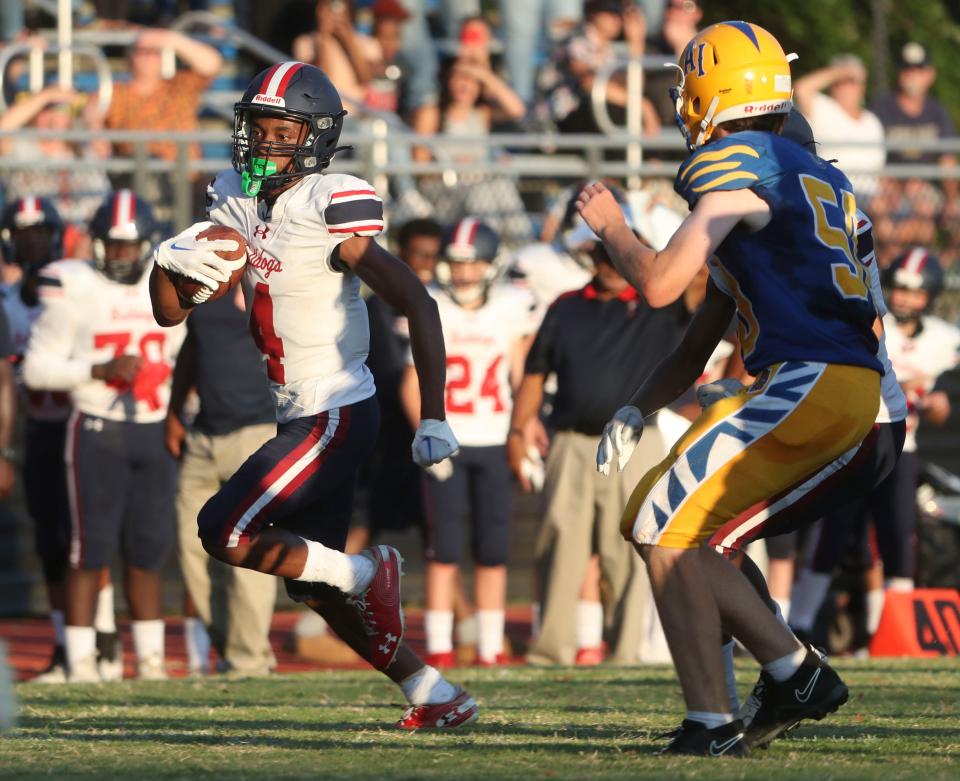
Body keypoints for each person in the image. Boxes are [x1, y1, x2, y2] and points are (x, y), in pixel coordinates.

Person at [576, 22, 886, 755]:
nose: (682, 103)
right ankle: (718, 713)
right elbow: (698, 334)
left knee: (659, 519)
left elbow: (656, 285)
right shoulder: (809, 180)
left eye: (688, 87)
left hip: (811, 380)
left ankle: (790, 671)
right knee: (673, 530)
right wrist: (637, 404)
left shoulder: (737, 160)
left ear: (713, 93)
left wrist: (612, 228)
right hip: (838, 385)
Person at [148, 61, 477, 729]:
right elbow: (168, 314)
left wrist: (435, 411)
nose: (264, 143)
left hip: (336, 408)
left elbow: (416, 298)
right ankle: (431, 688)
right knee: (314, 584)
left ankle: (367, 569)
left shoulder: (329, 200)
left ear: (315, 137)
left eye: (280, 131)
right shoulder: (236, 198)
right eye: (256, 128)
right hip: (298, 409)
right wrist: (168, 262)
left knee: (224, 528)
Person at [508, 211, 689, 666]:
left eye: (618, 255)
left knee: (627, 552)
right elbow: (534, 373)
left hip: (636, 442)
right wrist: (517, 430)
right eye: (602, 253)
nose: (610, 263)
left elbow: (700, 278)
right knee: (557, 545)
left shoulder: (661, 304)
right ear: (590, 256)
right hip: (571, 441)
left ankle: (626, 652)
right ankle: (550, 651)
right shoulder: (566, 305)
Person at [23, 190, 185, 682]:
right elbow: (36, 369)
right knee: (88, 551)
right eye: (112, 246)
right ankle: (80, 663)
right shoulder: (72, 284)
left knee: (147, 552)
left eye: (128, 246)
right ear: (95, 244)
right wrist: (99, 368)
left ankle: (152, 663)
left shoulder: (169, 282)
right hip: (95, 427)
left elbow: (184, 358)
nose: (120, 256)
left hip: (154, 429)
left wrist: (174, 395)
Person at [790, 247, 957, 645]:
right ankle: (797, 625)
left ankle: (892, 635)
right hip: (855, 441)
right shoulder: (874, 322)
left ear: (930, 296)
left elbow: (945, 404)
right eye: (898, 288)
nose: (903, 298)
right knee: (833, 534)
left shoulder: (944, 340)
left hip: (903, 449)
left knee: (899, 537)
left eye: (914, 292)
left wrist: (939, 401)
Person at [400, 218, 537, 667]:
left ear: (491, 265)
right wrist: (428, 429)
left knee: (494, 549)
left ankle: (490, 646)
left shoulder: (511, 307)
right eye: (457, 263)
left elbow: (521, 378)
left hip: (497, 438)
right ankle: (439, 647)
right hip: (450, 442)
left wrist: (527, 432)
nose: (463, 273)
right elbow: (410, 383)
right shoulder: (431, 304)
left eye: (472, 263)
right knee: (443, 550)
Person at [165, 286, 280, 677]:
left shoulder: (272, 278)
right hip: (203, 434)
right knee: (191, 550)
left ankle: (250, 661)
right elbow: (192, 349)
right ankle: (234, 652)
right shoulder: (200, 282)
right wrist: (174, 411)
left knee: (245, 552)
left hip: (256, 432)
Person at [869, 43, 957, 266]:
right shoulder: (880, 108)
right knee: (881, 212)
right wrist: (897, 186)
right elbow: (871, 159)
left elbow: (947, 160)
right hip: (887, 188)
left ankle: (940, 273)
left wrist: (950, 198)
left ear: (930, 75)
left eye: (919, 69)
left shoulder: (937, 111)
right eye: (907, 68)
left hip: (924, 191)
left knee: (930, 216)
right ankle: (891, 271)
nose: (912, 75)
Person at [793, 54, 885, 202]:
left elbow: (881, 171)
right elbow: (802, 88)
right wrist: (841, 71)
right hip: (835, 194)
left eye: (851, 81)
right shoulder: (823, 108)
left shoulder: (872, 121)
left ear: (862, 86)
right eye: (839, 82)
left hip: (873, 198)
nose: (845, 87)